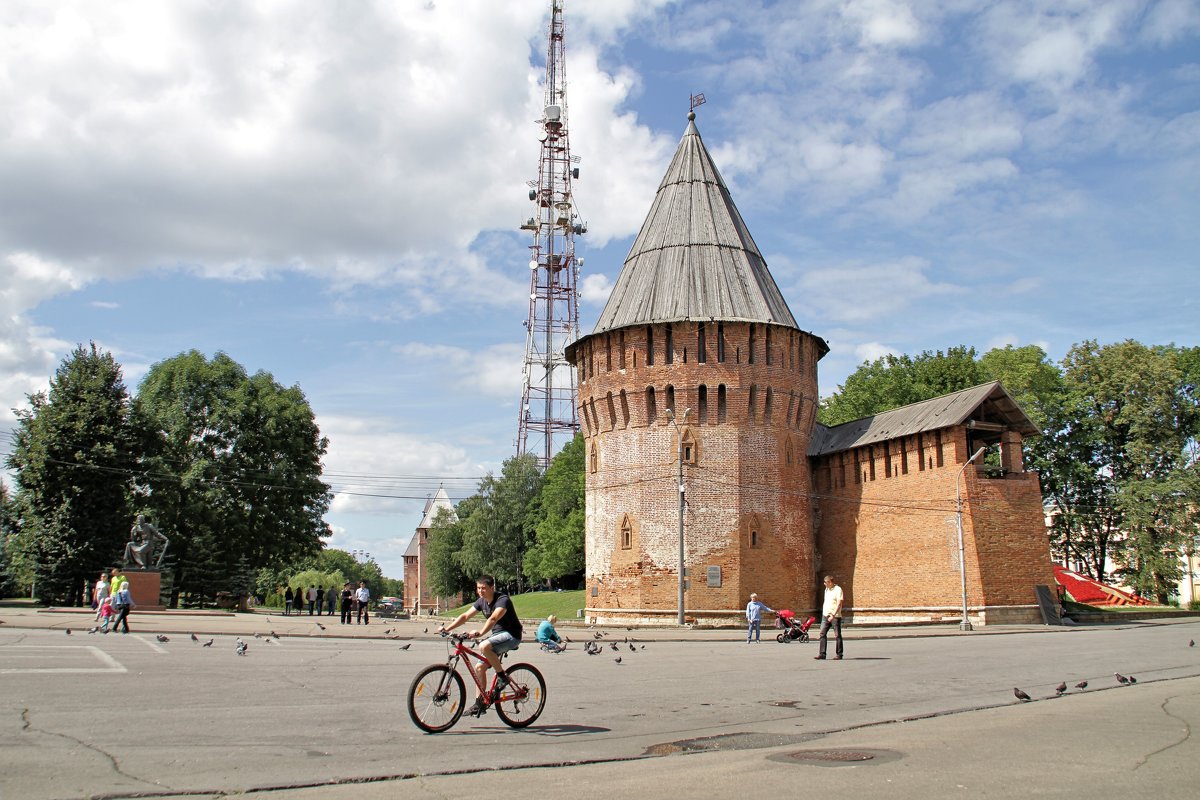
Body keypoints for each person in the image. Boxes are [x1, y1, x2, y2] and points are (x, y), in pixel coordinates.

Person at [438, 575, 524, 718]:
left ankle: (503, 677)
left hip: (511, 635)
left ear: (492, 588)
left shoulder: (503, 600)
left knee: (484, 646)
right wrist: (447, 628)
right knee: (479, 667)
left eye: (484, 588)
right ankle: (480, 703)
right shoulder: (481, 601)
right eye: (478, 588)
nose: (480, 591)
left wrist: (480, 632)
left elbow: (494, 618)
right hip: (497, 637)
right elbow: (465, 616)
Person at [814, 575, 844, 660]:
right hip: (825, 615)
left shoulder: (838, 589)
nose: (824, 584)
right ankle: (822, 654)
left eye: (825, 582)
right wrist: (825, 613)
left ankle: (839, 654)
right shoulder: (826, 589)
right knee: (822, 634)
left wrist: (833, 615)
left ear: (830, 582)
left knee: (837, 635)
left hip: (835, 616)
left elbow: (839, 603)